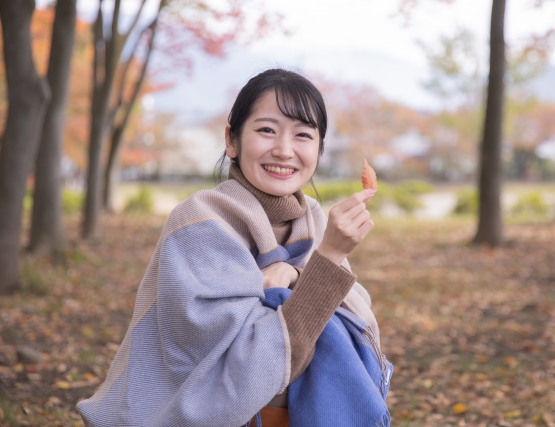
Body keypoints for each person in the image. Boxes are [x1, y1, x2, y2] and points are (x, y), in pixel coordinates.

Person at [76, 69, 391, 427]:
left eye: (303, 135)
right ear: (232, 140)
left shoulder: (316, 223)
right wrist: (328, 260)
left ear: (318, 150)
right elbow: (254, 367)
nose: (284, 150)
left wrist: (296, 273)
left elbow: (352, 312)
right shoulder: (199, 222)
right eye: (267, 130)